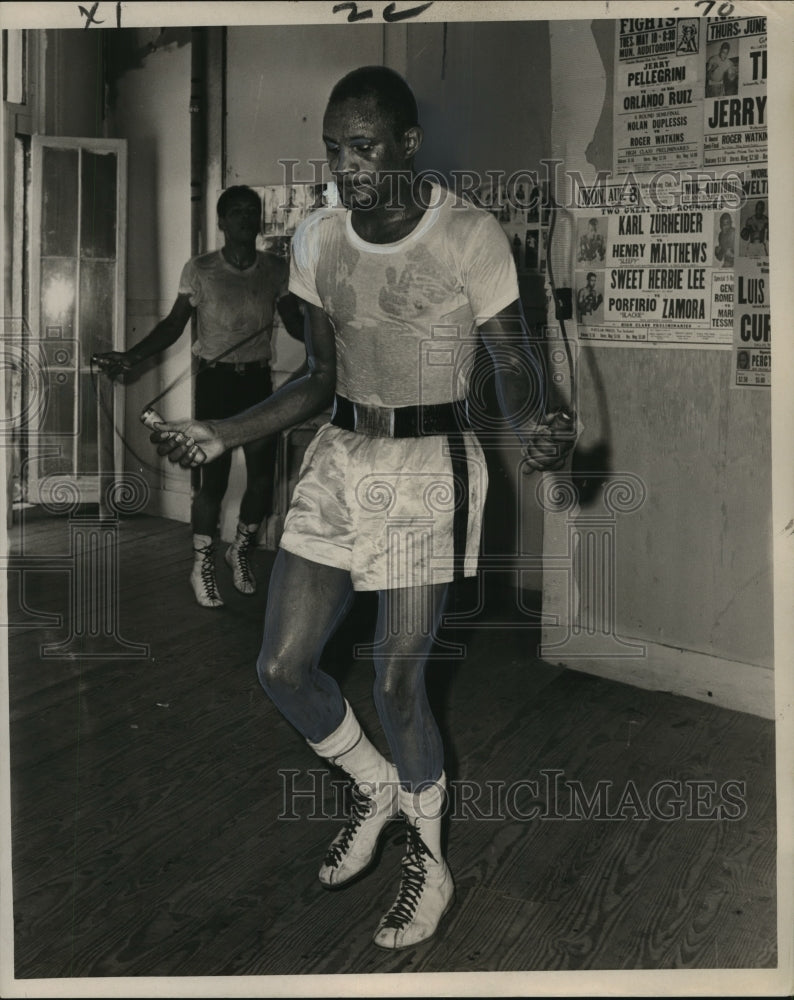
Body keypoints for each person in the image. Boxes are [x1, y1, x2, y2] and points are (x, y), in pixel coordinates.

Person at [150, 66, 574, 950]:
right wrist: (224, 433)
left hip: (430, 469)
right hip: (341, 457)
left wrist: (548, 426)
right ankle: (375, 785)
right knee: (282, 667)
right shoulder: (317, 239)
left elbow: (516, 373)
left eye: (365, 147)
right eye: (336, 148)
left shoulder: (470, 235)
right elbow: (315, 381)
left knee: (396, 681)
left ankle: (430, 860)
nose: (347, 166)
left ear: (408, 145)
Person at [95, 185, 305, 608]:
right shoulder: (201, 269)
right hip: (216, 383)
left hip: (257, 383)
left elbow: (298, 326)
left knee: (263, 480)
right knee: (214, 481)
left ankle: (239, 551)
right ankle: (202, 565)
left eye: (253, 211)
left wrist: (334, 330)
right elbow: (174, 326)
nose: (247, 218)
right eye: (237, 212)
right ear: (223, 222)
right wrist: (131, 357)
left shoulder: (276, 270)